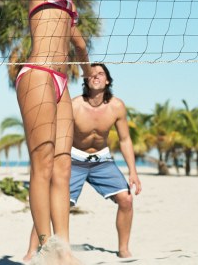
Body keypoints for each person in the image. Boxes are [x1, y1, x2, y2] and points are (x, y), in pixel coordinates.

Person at [16, 0, 97, 263]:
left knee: (64, 164)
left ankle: (64, 248)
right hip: (37, 75)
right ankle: (46, 242)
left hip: (63, 81)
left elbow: (78, 43)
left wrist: (88, 71)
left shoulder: (67, 0)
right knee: (43, 162)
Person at [24, 63, 142, 260]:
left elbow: (125, 140)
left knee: (126, 199)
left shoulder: (117, 106)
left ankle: (123, 249)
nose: (95, 76)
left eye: (100, 73)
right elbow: (58, 136)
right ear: (85, 80)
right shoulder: (74, 105)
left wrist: (133, 172)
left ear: (108, 80)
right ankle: (31, 251)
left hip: (102, 160)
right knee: (54, 203)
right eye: (91, 73)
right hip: (74, 159)